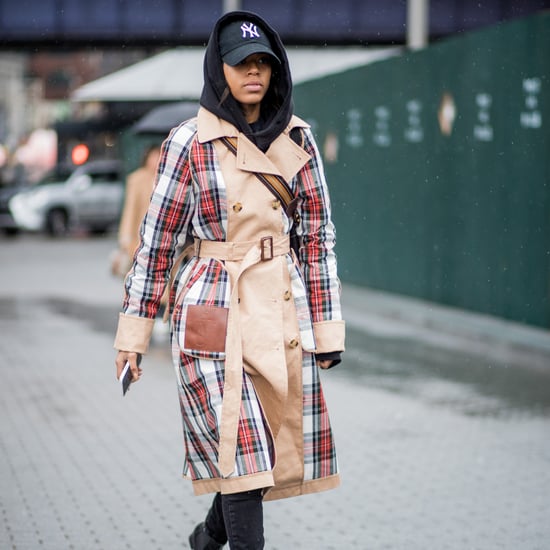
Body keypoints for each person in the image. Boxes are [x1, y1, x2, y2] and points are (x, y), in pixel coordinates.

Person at [114, 10, 345, 549]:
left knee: (256, 459)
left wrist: (327, 330)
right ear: (219, 69)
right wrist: (133, 334)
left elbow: (316, 239)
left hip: (278, 310)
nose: (253, 73)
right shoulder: (187, 141)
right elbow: (156, 245)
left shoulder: (300, 140)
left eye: (263, 62)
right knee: (240, 454)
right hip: (210, 311)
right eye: (241, 63)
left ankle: (204, 539)